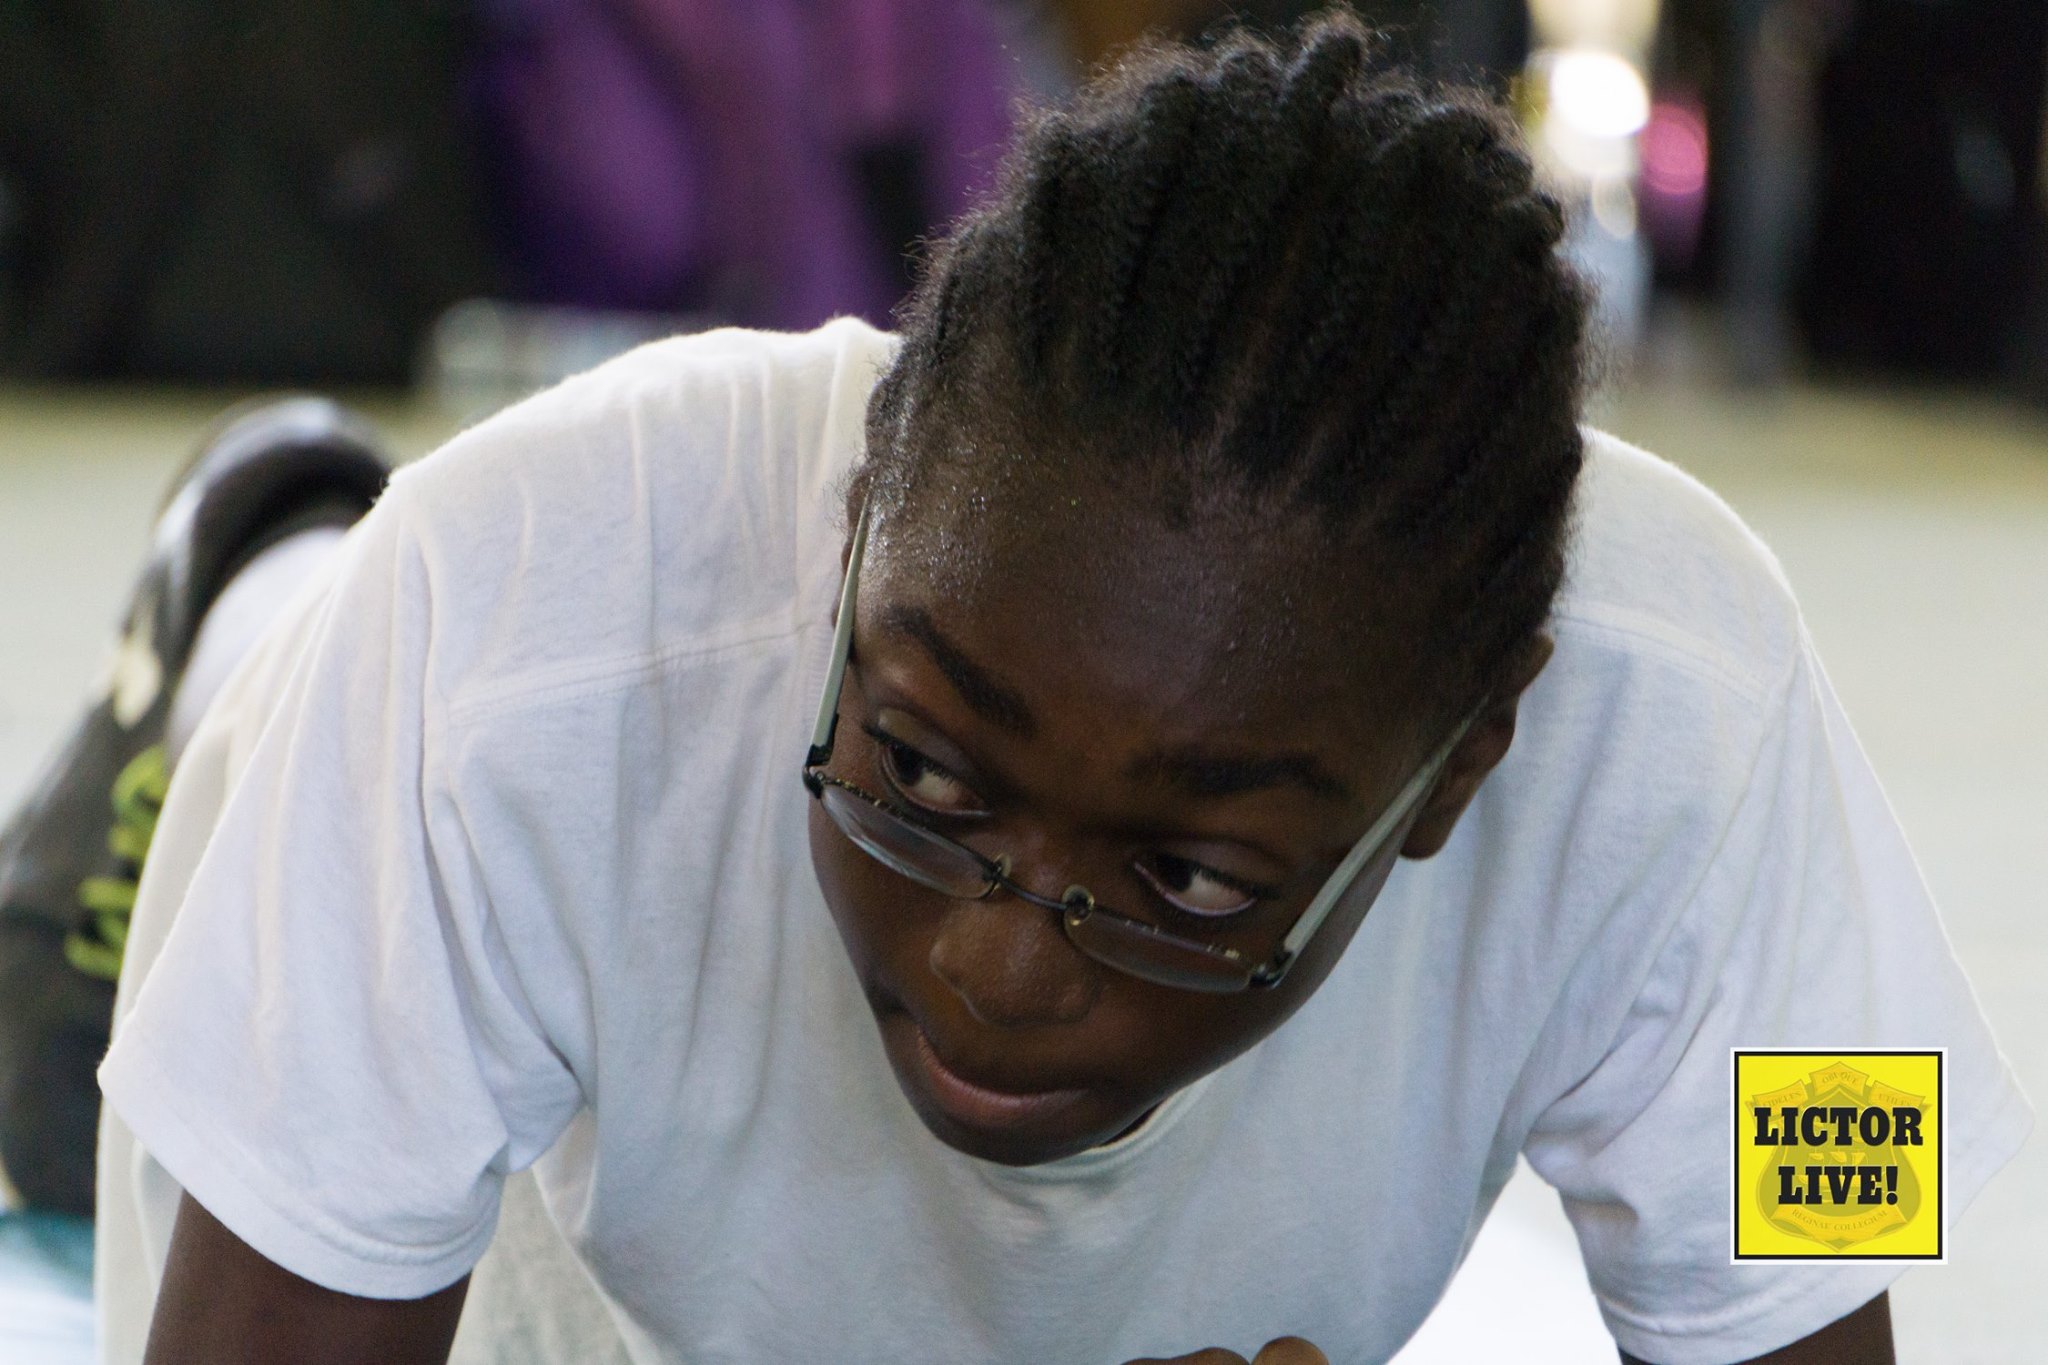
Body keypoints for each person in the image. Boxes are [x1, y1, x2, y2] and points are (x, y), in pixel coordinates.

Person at [37, 10, 2030, 1364]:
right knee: (227, 808)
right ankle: (253, 585)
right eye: (919, 770)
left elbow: (1814, 1259)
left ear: (1459, 769)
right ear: (859, 520)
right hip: (559, 1212)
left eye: (1187, 878)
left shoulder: (1684, 721)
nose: (998, 960)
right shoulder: (520, 635)